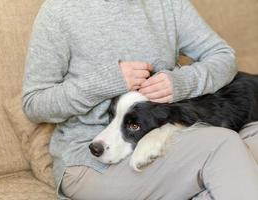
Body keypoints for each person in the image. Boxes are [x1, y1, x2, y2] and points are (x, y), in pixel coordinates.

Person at [22, 0, 258, 199]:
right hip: (91, 158)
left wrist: (182, 82)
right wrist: (106, 82)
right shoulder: (59, 11)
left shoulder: (167, 4)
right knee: (224, 146)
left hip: (167, 138)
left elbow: (223, 57)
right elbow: (34, 103)